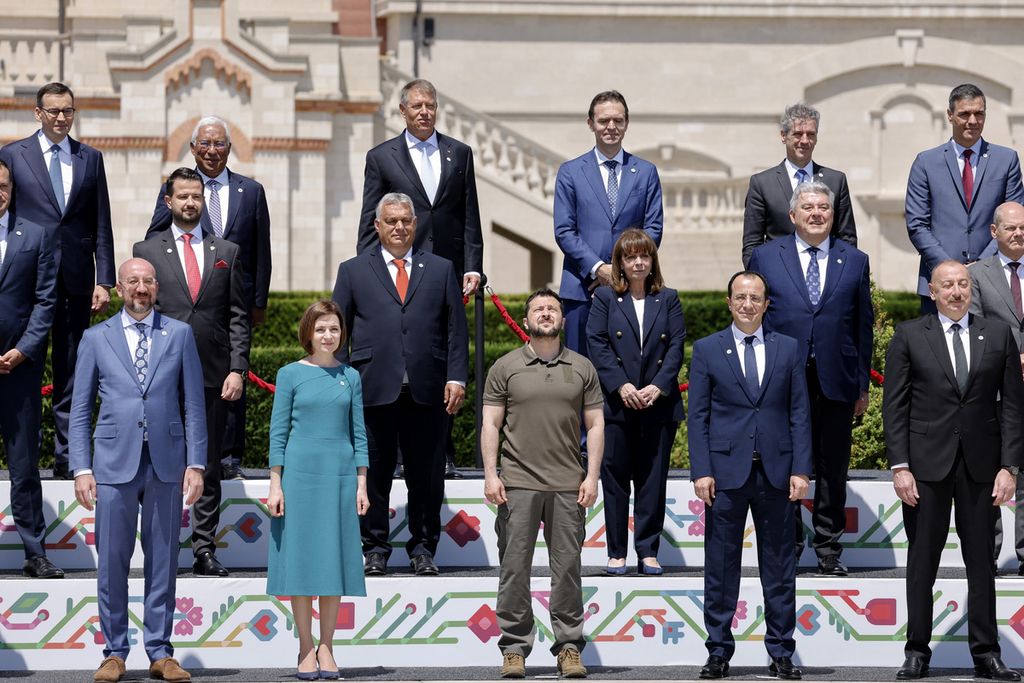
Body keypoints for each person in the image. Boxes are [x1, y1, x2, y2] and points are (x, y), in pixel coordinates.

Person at [884, 260, 1024, 682]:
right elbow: (896, 407)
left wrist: (1009, 467)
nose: (957, 292)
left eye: (963, 284)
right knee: (921, 563)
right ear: (932, 291)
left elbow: (1014, 409)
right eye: (948, 285)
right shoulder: (909, 336)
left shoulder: (997, 334)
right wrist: (900, 466)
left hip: (983, 468)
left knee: (981, 563)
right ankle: (917, 652)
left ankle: (986, 653)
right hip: (925, 468)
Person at [69, 258, 206, 683]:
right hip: (112, 463)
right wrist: (81, 467)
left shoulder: (180, 334)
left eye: (148, 281)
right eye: (133, 281)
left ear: (157, 287)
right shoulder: (96, 338)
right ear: (121, 288)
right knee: (111, 560)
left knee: (163, 561)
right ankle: (114, 652)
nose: (141, 288)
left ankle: (161, 652)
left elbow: (194, 405)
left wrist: (196, 463)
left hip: (167, 462)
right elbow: (78, 410)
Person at [332, 192, 468, 577]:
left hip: (429, 389)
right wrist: (342, 381)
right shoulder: (354, 270)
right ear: (377, 226)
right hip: (372, 389)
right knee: (373, 474)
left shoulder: (441, 269)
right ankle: (375, 549)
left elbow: (456, 329)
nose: (399, 227)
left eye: (406, 220)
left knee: (426, 476)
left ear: (415, 224)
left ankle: (423, 548)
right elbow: (336, 330)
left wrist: (456, 376)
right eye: (391, 221)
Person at [688, 270, 811, 682]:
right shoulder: (707, 349)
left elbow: (799, 413)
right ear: (729, 302)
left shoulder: (788, 349)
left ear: (766, 303)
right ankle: (719, 651)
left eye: (755, 297)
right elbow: (698, 416)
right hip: (724, 475)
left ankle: (780, 651)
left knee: (779, 567)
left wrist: (801, 469)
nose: (747, 304)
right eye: (740, 297)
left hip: (777, 474)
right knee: (720, 568)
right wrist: (701, 470)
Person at [355, 78, 482, 479]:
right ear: (403, 111)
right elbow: (368, 220)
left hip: (445, 273)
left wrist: (472, 265)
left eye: (430, 105)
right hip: (396, 271)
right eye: (417, 106)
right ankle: (391, 455)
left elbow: (469, 215)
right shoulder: (381, 157)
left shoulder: (459, 153)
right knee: (397, 359)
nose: (425, 112)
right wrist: (367, 272)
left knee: (440, 357)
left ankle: (440, 450)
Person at [748, 180, 873, 575]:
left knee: (832, 466)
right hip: (783, 378)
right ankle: (789, 542)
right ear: (792, 216)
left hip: (836, 378)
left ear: (833, 216)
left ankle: (828, 548)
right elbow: (754, 318)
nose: (816, 213)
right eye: (808, 208)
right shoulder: (766, 258)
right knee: (784, 462)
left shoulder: (854, 259)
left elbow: (862, 325)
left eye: (823, 208)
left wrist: (862, 385)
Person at [133, 168, 250, 578]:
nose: (190, 203)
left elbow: (238, 316)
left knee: (209, 463)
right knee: (160, 463)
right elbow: (138, 315)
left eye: (196, 197)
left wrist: (238, 368)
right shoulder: (145, 251)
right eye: (182, 196)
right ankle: (161, 548)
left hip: (215, 375)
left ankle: (203, 548)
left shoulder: (227, 251)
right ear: (168, 201)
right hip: (161, 376)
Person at [481, 288, 603, 679]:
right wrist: (489, 474)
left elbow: (596, 424)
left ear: (563, 320)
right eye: (538, 309)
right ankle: (514, 648)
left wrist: (593, 475)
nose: (546, 314)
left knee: (566, 568)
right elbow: (490, 424)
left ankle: (568, 647)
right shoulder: (505, 367)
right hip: (517, 483)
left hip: (568, 484)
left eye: (552, 308)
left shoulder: (582, 367)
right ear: (527, 319)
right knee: (514, 569)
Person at [0, 81, 115, 480]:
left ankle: (67, 460)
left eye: (68, 111)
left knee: (71, 371)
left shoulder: (91, 158)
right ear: (38, 113)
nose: (61, 118)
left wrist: (106, 278)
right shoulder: (13, 155)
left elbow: (101, 220)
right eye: (53, 111)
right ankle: (23, 460)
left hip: (76, 280)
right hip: (24, 281)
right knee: (23, 367)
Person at [147, 115, 271, 481]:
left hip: (231, 299)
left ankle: (230, 454)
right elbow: (155, 235)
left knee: (232, 375)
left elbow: (261, 250)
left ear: (229, 149)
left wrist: (258, 303)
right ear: (193, 148)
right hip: (187, 296)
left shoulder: (252, 190)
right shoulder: (178, 189)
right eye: (205, 144)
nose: (212, 150)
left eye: (219, 144)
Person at [266, 300, 369, 681]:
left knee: (332, 561)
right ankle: (305, 647)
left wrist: (361, 482)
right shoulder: (289, 374)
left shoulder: (351, 376)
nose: (329, 336)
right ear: (309, 332)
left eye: (335, 329)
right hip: (299, 476)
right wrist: (276, 483)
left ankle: (328, 646)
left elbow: (358, 432)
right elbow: (278, 433)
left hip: (340, 476)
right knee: (302, 563)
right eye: (322, 329)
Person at [585, 228, 684, 575]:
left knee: (652, 481)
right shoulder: (604, 298)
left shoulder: (668, 298)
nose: (638, 262)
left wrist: (658, 386)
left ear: (652, 260)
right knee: (614, 480)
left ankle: (648, 551)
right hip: (616, 405)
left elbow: (675, 347)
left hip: (658, 405)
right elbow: (596, 343)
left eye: (644, 256)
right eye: (631, 257)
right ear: (620, 263)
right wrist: (621, 385)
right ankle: (616, 553)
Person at [553, 90, 663, 357]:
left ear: (627, 123)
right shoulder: (570, 172)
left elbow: (654, 228)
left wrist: (620, 270)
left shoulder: (646, 172)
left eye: (618, 120)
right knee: (579, 371)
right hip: (581, 288)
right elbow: (565, 230)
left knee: (628, 369)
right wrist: (597, 268)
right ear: (590, 123)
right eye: (603, 121)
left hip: (632, 287)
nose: (611, 127)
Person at [906, 83, 1024, 312]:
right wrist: (950, 268)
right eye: (964, 114)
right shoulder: (926, 163)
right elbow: (917, 224)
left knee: (994, 348)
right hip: (941, 283)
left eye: (979, 113)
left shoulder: (1007, 160)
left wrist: (981, 266)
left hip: (995, 282)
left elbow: (1014, 217)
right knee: (939, 348)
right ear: (950, 116)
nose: (972, 120)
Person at [0, 160, 61, 578]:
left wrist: (23, 350)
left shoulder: (34, 235)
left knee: (24, 467)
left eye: (2, 185)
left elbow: (45, 300)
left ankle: (35, 551)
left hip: (19, 369)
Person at [970, 201, 1024, 574]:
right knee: (991, 473)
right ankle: (985, 556)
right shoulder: (977, 274)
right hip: (995, 391)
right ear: (994, 232)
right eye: (1011, 228)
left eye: (1023, 228)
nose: (1018, 234)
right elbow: (972, 329)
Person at [741, 102, 857, 267]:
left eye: (810, 134)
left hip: (824, 277)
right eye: (797, 134)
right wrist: (764, 283)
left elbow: (847, 239)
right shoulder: (762, 184)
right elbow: (752, 245)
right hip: (778, 279)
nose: (805, 141)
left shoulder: (836, 181)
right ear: (783, 136)